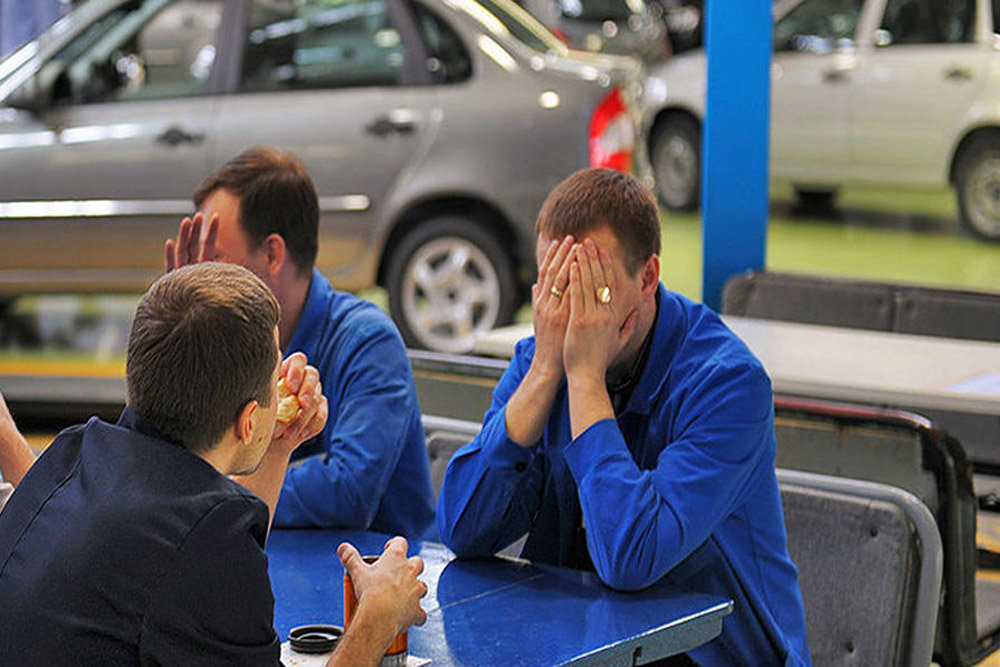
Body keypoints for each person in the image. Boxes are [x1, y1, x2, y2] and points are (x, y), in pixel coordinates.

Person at [436, 169, 810, 666]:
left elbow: (630, 558)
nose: (573, 313)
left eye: (595, 287)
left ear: (648, 277)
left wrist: (585, 381)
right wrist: (547, 371)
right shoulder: (542, 359)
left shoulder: (727, 384)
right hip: (582, 647)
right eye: (558, 284)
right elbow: (462, 529)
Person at [0, 263, 427, 666]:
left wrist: (277, 447)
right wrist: (376, 619)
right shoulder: (207, 544)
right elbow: (205, 563)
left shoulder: (73, 454)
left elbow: (201, 588)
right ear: (247, 420)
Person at [164, 145, 435, 538]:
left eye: (215, 259)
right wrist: (186, 333)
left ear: (273, 253)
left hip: (367, 578)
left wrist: (221, 492)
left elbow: (349, 489)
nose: (205, 278)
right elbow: (171, 458)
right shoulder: (229, 339)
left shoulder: (367, 341)